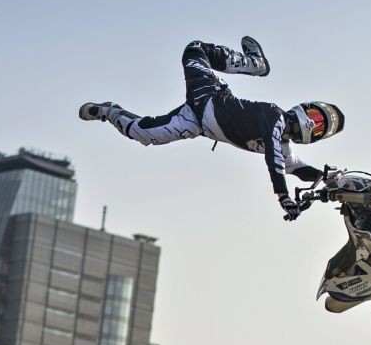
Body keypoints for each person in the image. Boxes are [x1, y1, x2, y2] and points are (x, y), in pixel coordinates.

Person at [79, 37, 345, 220]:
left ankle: (108, 111)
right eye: (315, 116)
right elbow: (273, 159)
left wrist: (331, 180)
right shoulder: (274, 115)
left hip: (197, 122)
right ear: (305, 106)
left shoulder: (284, 145)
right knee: (193, 49)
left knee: (143, 134)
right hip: (208, 94)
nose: (313, 123)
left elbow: (296, 168)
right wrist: (283, 196)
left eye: (319, 127)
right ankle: (255, 63)